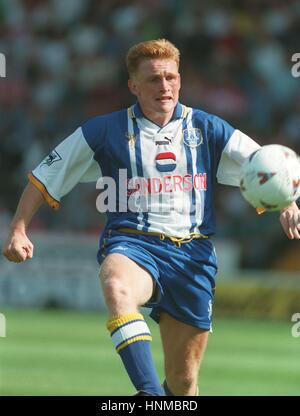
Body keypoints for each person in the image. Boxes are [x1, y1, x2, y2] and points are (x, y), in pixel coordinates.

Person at [2, 39, 300, 396]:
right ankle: (149, 395)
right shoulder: (103, 131)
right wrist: (19, 228)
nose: (165, 86)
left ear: (180, 80)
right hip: (132, 243)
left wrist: (288, 203)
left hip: (193, 257)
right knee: (116, 286)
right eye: (154, 79)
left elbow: (267, 167)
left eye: (171, 77)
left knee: (184, 382)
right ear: (133, 86)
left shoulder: (208, 128)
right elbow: (44, 175)